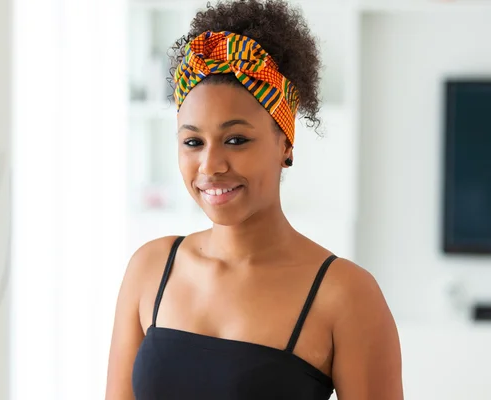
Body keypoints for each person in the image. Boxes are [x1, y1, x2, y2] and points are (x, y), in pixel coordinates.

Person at [106, 0, 403, 399]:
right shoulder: (150, 269)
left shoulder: (346, 295)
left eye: (236, 140)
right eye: (193, 141)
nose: (210, 165)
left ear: (285, 142)